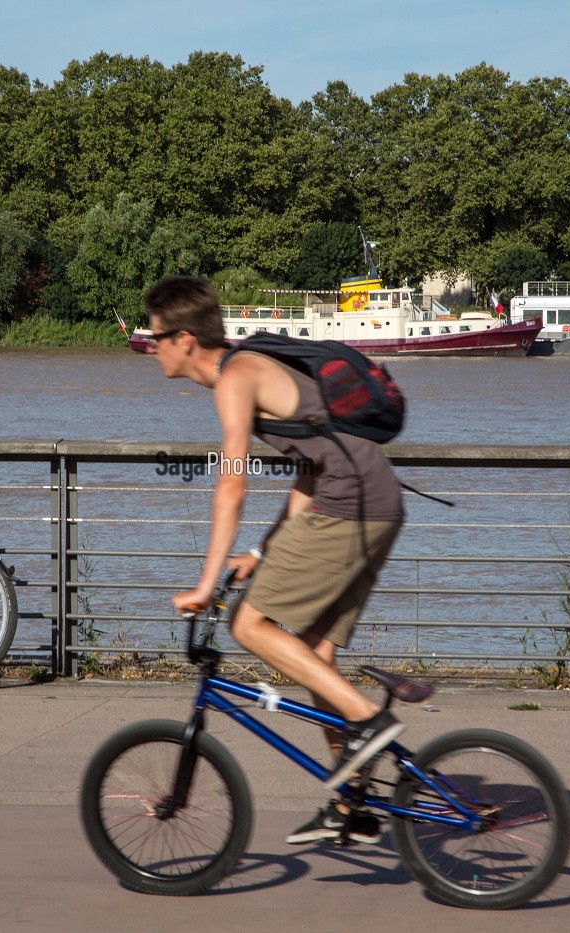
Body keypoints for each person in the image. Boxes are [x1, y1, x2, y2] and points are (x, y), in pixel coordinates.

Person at [142, 275, 405, 846]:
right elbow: (310, 468)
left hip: (353, 506)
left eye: (155, 337)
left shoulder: (235, 377)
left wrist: (206, 584)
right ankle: (351, 804)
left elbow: (230, 485)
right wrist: (261, 552)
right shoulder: (252, 365)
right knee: (315, 659)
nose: (150, 347)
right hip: (373, 499)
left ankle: (370, 720)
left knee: (247, 625)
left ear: (185, 339)